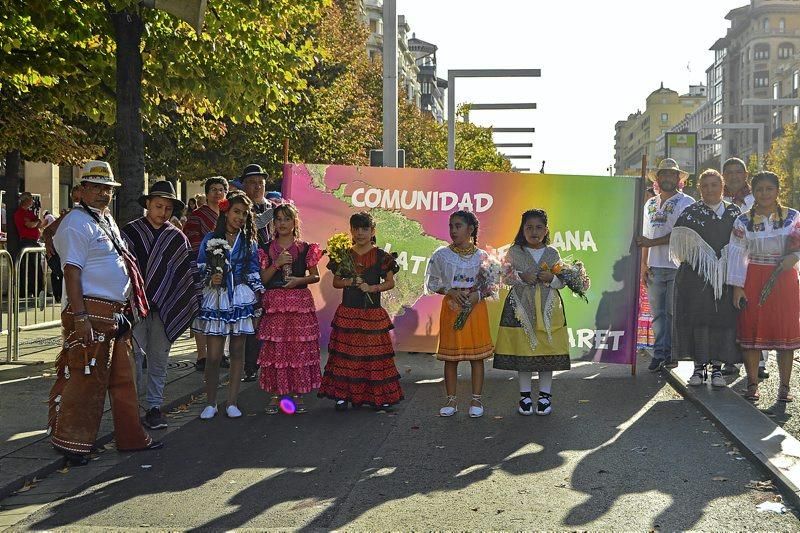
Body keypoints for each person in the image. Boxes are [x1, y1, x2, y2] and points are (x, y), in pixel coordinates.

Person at [48, 160, 161, 465]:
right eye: (95, 187)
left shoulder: (102, 218)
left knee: (123, 379)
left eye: (107, 188)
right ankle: (71, 443)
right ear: (80, 190)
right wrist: (81, 318)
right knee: (86, 379)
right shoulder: (76, 223)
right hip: (92, 311)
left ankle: (132, 438)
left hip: (113, 312)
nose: (102, 193)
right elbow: (72, 272)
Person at [122, 181, 200, 430]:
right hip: (133, 306)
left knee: (159, 357)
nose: (162, 212)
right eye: (158, 206)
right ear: (147, 204)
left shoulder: (177, 237)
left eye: (167, 208)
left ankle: (154, 407)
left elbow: (186, 274)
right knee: (133, 357)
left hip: (165, 308)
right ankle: (131, 408)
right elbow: (121, 269)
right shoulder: (130, 233)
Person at [318, 212, 403, 410]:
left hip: (372, 314)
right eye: (356, 229)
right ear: (351, 231)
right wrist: (351, 282)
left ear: (373, 231)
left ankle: (377, 397)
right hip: (348, 312)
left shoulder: (382, 256)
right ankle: (342, 396)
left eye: (365, 229)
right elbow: (336, 282)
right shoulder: (343, 254)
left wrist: (372, 288)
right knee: (346, 355)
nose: (360, 233)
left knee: (373, 356)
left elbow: (390, 283)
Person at [729, 171, 800, 402]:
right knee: (752, 329)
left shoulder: (793, 217)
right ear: (754, 191)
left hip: (784, 277)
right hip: (753, 276)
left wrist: (796, 256)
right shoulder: (742, 220)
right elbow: (737, 253)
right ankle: (752, 383)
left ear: (778, 191)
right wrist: (737, 286)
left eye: (769, 189)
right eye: (760, 189)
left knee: (784, 331)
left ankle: (785, 387)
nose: (764, 193)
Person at [193, 191, 264, 419]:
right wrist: (210, 276)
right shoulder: (211, 239)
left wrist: (258, 296)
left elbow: (253, 269)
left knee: (237, 352)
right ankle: (211, 402)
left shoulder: (248, 242)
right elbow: (199, 265)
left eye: (244, 214)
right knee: (213, 356)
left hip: (240, 297)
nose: (240, 217)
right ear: (226, 212)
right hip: (216, 297)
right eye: (236, 212)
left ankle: (232, 402)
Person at [669, 169, 741, 389]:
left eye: (714, 185)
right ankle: (699, 368)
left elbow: (742, 244)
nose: (710, 189)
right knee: (699, 321)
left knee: (722, 321)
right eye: (705, 186)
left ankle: (717, 369)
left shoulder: (734, 212)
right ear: (700, 189)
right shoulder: (691, 213)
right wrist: (705, 262)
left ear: (722, 187)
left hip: (727, 278)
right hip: (697, 278)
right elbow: (680, 247)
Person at [494, 209, 570, 416]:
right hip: (520, 308)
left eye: (538, 227)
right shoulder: (514, 251)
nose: (533, 231)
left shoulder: (552, 253)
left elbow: (562, 282)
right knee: (523, 351)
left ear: (546, 230)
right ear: (522, 229)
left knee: (548, 352)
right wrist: (520, 276)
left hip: (549, 309)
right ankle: (525, 396)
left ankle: (545, 396)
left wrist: (551, 279)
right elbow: (504, 277)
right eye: (529, 227)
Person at [425, 210, 497, 418]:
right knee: (451, 358)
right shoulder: (441, 255)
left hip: (475, 310)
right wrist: (450, 291)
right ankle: (451, 400)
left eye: (458, 226)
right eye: (451, 226)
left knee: (477, 358)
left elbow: (491, 285)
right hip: (452, 309)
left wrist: (477, 295)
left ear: (471, 229)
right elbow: (433, 282)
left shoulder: (483, 257)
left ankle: (476, 399)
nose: (453, 230)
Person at [257, 203, 322, 414]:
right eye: (278, 219)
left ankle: (297, 394)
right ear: (273, 223)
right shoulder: (266, 248)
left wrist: (298, 280)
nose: (282, 223)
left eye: (286, 219)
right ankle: (276, 395)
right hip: (275, 304)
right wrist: (276, 263)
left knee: (297, 349)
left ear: (295, 222)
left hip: (299, 303)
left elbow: (315, 275)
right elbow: (263, 279)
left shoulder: (305, 248)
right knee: (277, 349)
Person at [636, 158, 695, 371]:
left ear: (678, 178)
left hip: (678, 265)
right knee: (657, 313)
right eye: (664, 174)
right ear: (658, 179)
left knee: (672, 312)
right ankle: (659, 352)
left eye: (672, 174)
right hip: (654, 266)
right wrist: (643, 263)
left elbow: (681, 234)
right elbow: (644, 236)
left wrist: (652, 242)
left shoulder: (687, 202)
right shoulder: (650, 203)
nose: (668, 178)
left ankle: (671, 353)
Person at [183, 177, 228, 372]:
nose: (217, 193)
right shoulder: (197, 215)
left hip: (226, 268)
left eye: (221, 189)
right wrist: (207, 256)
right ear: (207, 192)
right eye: (213, 189)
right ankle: (202, 355)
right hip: (203, 267)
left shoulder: (229, 213)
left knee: (223, 309)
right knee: (201, 310)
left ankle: (220, 354)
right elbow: (190, 241)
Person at [239, 164, 274, 382]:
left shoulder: (271, 206)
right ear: (244, 185)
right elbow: (254, 224)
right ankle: (249, 365)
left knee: (269, 317)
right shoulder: (241, 208)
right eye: (252, 182)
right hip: (249, 270)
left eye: (261, 182)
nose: (257, 187)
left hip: (273, 268)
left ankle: (268, 361)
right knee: (251, 318)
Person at [14, 192, 45, 304]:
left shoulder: (29, 213)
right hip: (27, 241)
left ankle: (37, 289)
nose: (32, 201)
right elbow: (30, 225)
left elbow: (39, 223)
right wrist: (35, 222)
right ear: (26, 200)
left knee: (36, 267)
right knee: (30, 267)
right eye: (31, 199)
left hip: (32, 241)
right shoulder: (20, 213)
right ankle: (31, 290)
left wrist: (35, 222)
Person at [637, 187, 657, 355]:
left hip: (654, 263)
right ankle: (644, 340)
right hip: (643, 264)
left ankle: (654, 340)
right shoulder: (641, 213)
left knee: (653, 307)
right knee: (645, 306)